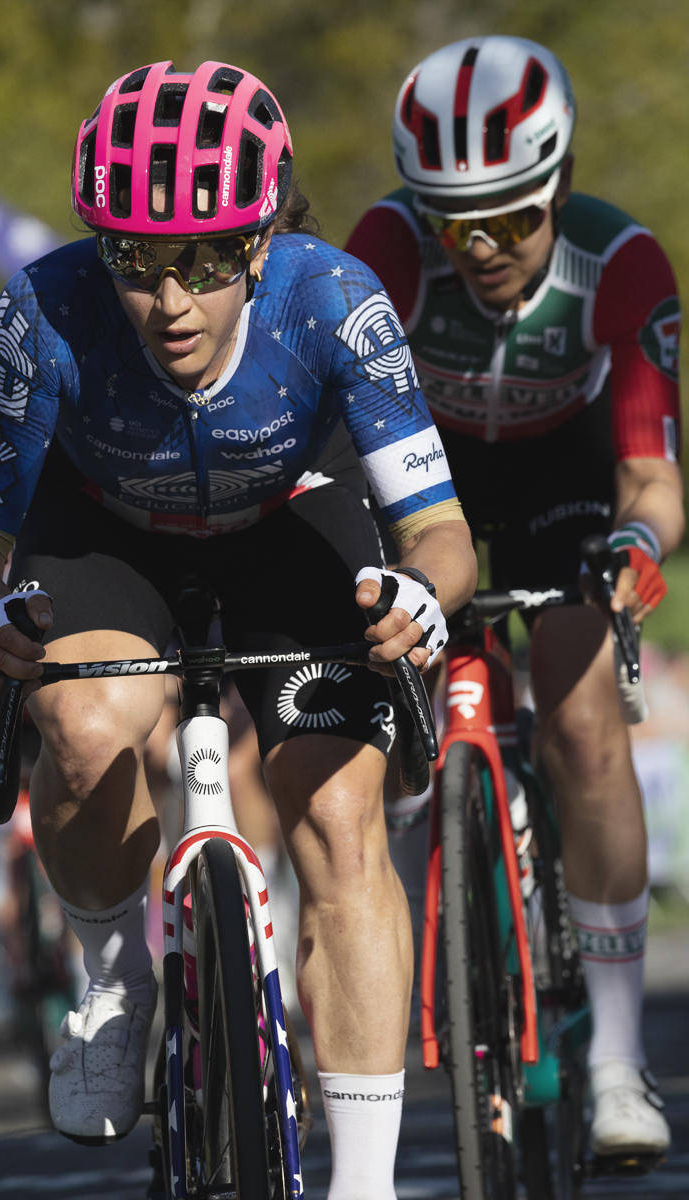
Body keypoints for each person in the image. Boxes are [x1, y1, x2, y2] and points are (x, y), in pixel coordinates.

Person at [0, 60, 477, 1198]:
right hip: (107, 530)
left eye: (205, 259)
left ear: (262, 241)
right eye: (137, 259)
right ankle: (113, 971)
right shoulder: (45, 309)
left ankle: (364, 1182)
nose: (168, 299)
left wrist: (420, 598)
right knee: (79, 725)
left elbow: (439, 534)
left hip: (291, 516)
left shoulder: (335, 300)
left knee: (336, 807)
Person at [346, 35, 682, 1164]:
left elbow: (651, 480)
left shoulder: (620, 264)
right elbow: (336, 436)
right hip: (423, 477)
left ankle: (616, 1060)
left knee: (583, 716)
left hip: (563, 478)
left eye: (511, 217)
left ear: (561, 184)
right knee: (382, 710)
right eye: (453, 222)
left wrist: (635, 543)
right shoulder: (384, 252)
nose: (481, 248)